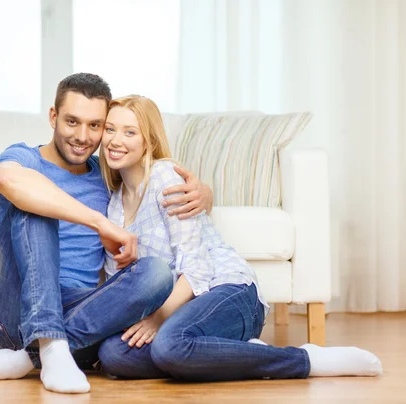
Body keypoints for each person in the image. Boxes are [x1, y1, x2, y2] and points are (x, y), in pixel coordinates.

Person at [0, 73, 213, 394]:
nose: (83, 136)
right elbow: (6, 179)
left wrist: (205, 195)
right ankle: (50, 345)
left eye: (95, 125)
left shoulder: (106, 173)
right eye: (72, 122)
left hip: (79, 319)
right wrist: (100, 223)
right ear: (53, 117)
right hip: (7, 313)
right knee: (35, 204)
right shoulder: (25, 158)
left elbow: (152, 179)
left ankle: (27, 358)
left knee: (155, 274)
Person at [96, 95, 383, 381]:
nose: (115, 140)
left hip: (227, 290)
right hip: (179, 313)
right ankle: (231, 353)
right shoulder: (114, 206)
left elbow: (197, 269)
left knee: (170, 346)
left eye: (129, 132)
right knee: (113, 355)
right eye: (110, 129)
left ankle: (305, 360)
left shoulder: (165, 178)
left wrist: (158, 319)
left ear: (149, 140)